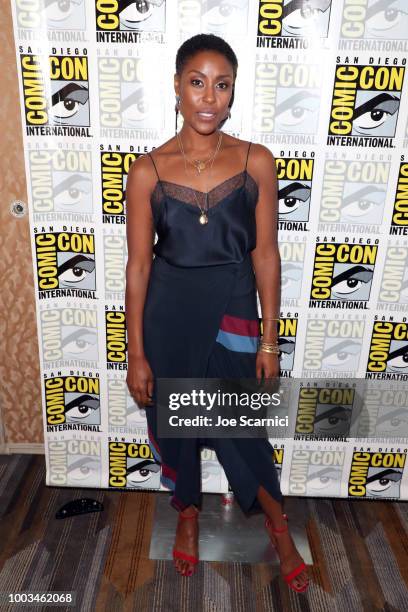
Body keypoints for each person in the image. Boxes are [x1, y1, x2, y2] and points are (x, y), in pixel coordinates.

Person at [125, 33, 309, 593]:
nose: (208, 96)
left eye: (221, 84)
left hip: (233, 311)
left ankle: (278, 526)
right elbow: (138, 268)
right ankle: (186, 514)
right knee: (178, 425)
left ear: (232, 93)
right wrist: (135, 352)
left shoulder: (255, 161)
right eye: (197, 82)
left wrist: (270, 341)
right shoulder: (147, 171)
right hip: (169, 317)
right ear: (177, 87)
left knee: (239, 429)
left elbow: (266, 256)